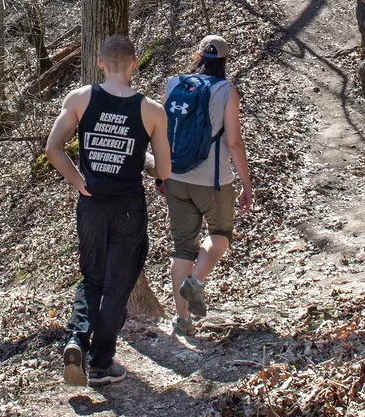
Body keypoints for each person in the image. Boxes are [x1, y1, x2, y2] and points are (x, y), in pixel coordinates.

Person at [44, 33, 171, 387]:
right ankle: (101, 362)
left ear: (101, 63)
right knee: (117, 285)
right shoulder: (152, 111)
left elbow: (53, 148)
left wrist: (78, 180)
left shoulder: (80, 99)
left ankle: (75, 340)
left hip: (91, 203)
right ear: (133, 65)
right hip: (128, 207)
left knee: (92, 277)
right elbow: (163, 170)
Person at [163, 36, 254, 337]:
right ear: (224, 62)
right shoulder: (226, 90)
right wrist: (246, 182)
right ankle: (196, 282)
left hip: (176, 178)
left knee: (182, 249)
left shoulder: (172, 84)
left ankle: (182, 320)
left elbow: (164, 133)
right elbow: (235, 142)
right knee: (220, 234)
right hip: (213, 182)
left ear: (196, 55)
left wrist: (161, 175)